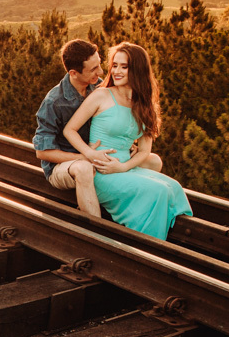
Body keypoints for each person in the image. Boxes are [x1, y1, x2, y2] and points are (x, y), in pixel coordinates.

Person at [61, 42, 191, 240]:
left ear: (138, 70)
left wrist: (123, 167)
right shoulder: (101, 95)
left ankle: (159, 240)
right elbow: (69, 130)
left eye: (124, 66)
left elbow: (144, 151)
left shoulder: (144, 104)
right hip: (101, 172)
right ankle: (144, 248)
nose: (116, 71)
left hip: (124, 169)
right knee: (158, 192)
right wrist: (89, 153)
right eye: (115, 65)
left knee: (173, 187)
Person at [33, 39, 162, 217]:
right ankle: (95, 231)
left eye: (100, 65)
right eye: (93, 69)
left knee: (153, 160)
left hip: (100, 156)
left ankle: (124, 205)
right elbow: (42, 153)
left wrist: (125, 145)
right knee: (84, 168)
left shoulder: (99, 86)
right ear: (74, 73)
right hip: (65, 166)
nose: (101, 72)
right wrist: (86, 155)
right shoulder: (54, 102)